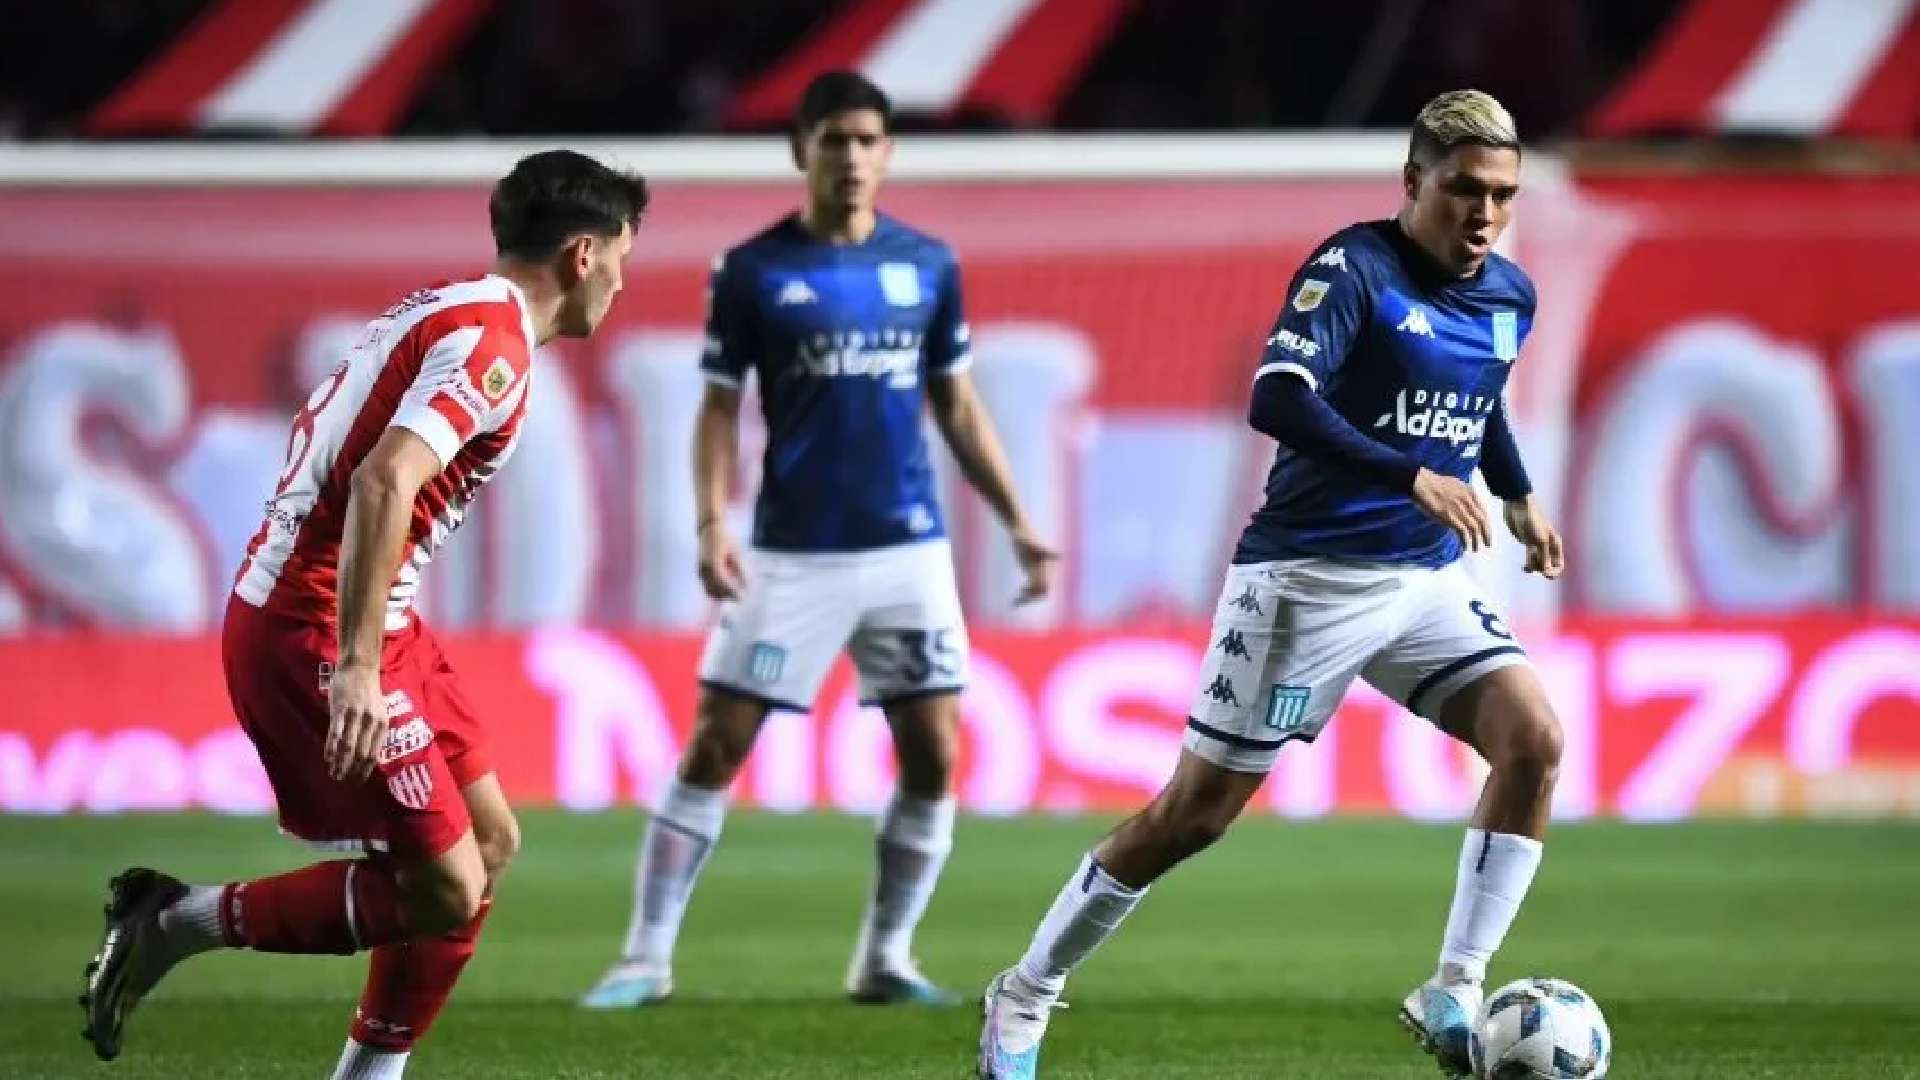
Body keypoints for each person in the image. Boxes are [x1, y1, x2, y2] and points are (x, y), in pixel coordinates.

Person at [977, 89, 1566, 1080]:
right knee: (1194, 816)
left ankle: (1456, 988)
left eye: (1502, 195)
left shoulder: (1510, 294)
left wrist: (1517, 494)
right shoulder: (1353, 269)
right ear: (1414, 180)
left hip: (1424, 579)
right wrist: (1410, 475)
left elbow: (1485, 394)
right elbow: (1277, 397)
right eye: (1464, 189)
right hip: (1307, 581)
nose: (1484, 213)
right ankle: (1027, 990)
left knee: (1534, 742)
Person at [80, 150, 648, 1079]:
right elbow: (386, 478)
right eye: (621, 257)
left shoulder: (453, 310)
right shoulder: (493, 348)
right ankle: (173, 922)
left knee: (490, 844)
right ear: (583, 254)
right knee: (447, 887)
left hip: (374, 618)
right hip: (315, 623)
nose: (622, 280)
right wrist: (353, 666)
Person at [582, 70, 1057, 1010]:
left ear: (888, 153)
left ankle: (885, 957)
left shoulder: (928, 265)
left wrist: (1019, 522)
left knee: (935, 753)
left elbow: (957, 405)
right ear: (803, 149)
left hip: (908, 551)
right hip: (791, 555)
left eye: (867, 140)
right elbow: (718, 409)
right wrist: (711, 521)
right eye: (834, 139)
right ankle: (643, 958)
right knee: (717, 744)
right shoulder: (753, 270)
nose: (851, 157)